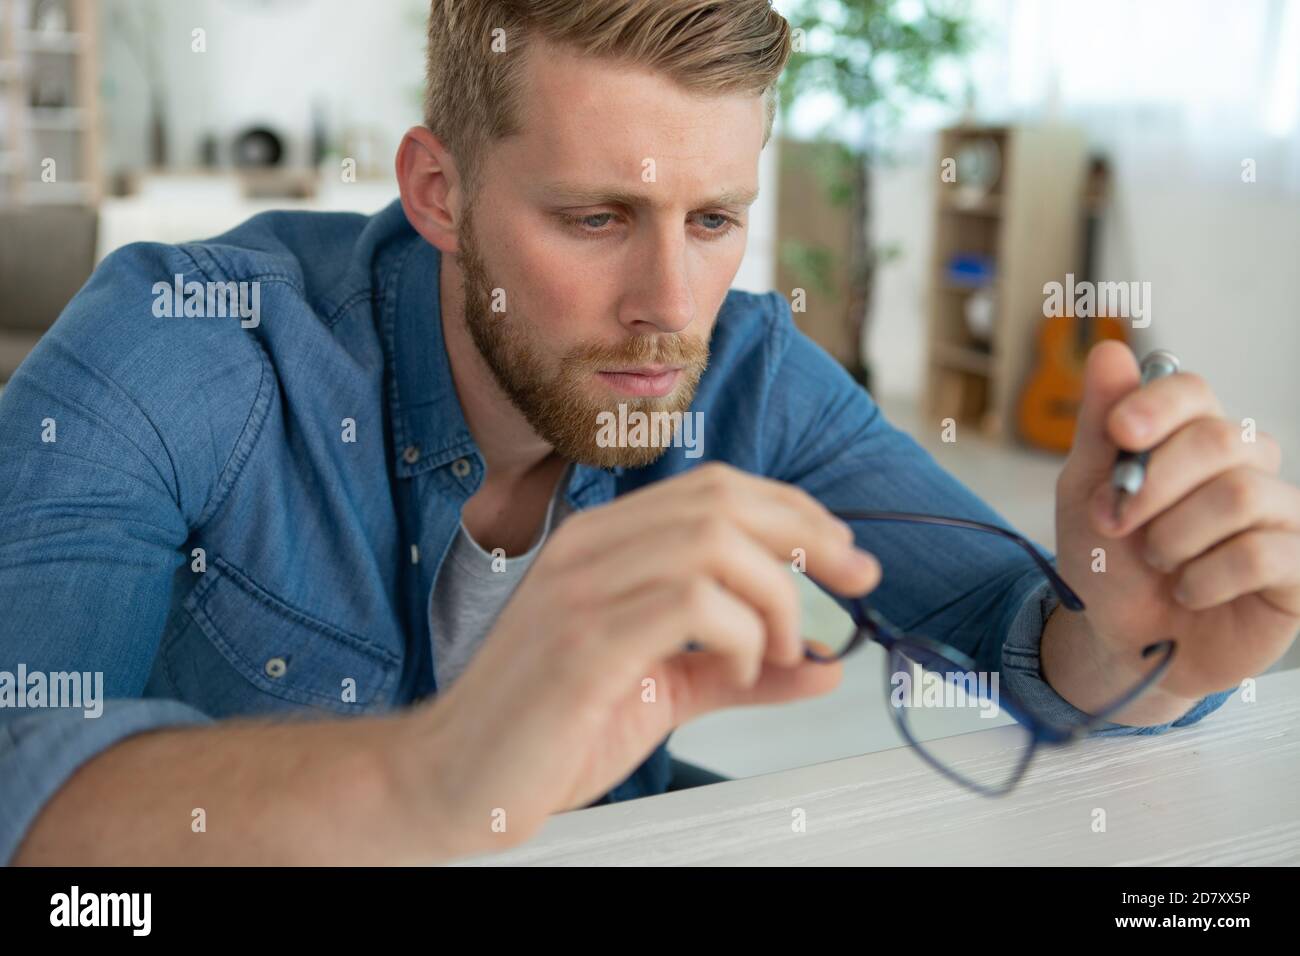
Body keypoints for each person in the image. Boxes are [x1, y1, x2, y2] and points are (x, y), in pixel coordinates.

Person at [2, 0, 1297, 866]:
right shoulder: (182, 343)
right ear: (438, 191)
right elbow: (19, 778)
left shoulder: (744, 368)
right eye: (595, 220)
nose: (672, 312)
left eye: (716, 221)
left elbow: (1025, 646)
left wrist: (1144, 651)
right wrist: (433, 777)